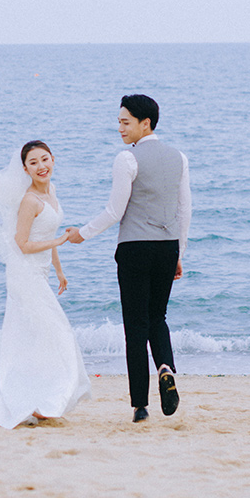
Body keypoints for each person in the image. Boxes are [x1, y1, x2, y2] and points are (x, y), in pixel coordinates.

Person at [0, 140, 91, 430]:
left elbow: (46, 233)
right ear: (25, 169)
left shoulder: (51, 192)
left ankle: (40, 401)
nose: (41, 166)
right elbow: (22, 244)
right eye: (34, 162)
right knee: (55, 332)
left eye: (45, 159)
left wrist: (60, 270)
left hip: (43, 273)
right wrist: (61, 240)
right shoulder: (29, 201)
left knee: (37, 337)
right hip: (25, 274)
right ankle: (40, 400)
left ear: (53, 160)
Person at [66, 95, 190, 423]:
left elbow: (114, 211)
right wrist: (180, 251)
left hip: (135, 248)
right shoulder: (179, 158)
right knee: (158, 317)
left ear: (144, 123)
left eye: (125, 122)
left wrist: (83, 233)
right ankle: (165, 368)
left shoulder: (126, 159)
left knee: (135, 327)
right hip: (166, 248)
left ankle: (140, 406)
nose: (119, 128)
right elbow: (184, 210)